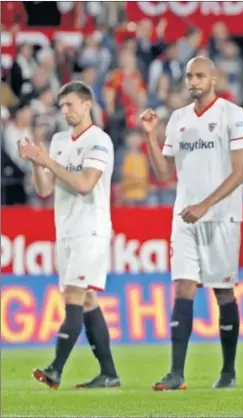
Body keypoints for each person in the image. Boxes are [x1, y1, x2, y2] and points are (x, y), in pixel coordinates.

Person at [139, 56, 243, 391]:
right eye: (189, 76)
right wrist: (150, 137)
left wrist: (206, 204)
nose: (193, 82)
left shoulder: (232, 114)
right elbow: (163, 172)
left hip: (221, 216)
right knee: (183, 287)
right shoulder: (177, 119)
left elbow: (241, 170)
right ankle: (176, 373)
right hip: (184, 217)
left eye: (200, 75)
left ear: (213, 78)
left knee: (223, 291)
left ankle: (228, 371)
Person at [19, 81, 120, 389]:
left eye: (71, 105)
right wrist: (37, 164)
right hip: (65, 229)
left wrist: (48, 161)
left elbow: (85, 184)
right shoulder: (60, 140)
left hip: (91, 227)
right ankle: (109, 374)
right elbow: (45, 189)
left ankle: (55, 369)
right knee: (87, 299)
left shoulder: (99, 141)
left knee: (72, 295)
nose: (66, 111)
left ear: (87, 105)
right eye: (62, 106)